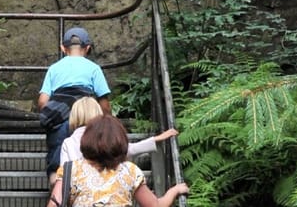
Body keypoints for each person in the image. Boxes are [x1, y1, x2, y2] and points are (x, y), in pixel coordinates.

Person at [46, 115, 188, 207]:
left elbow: (55, 204)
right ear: (120, 141)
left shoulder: (71, 170)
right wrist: (174, 190)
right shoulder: (130, 171)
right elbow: (155, 205)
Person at [38, 27, 110, 177]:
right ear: (87, 48)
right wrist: (107, 120)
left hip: (59, 120)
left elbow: (42, 102)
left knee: (57, 154)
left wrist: (58, 110)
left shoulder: (54, 68)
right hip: (86, 120)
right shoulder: (94, 69)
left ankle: (55, 185)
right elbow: (104, 104)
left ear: (63, 48)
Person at [57, 97, 178, 168]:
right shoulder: (105, 137)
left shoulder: (68, 143)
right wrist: (156, 139)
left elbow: (64, 173)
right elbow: (129, 149)